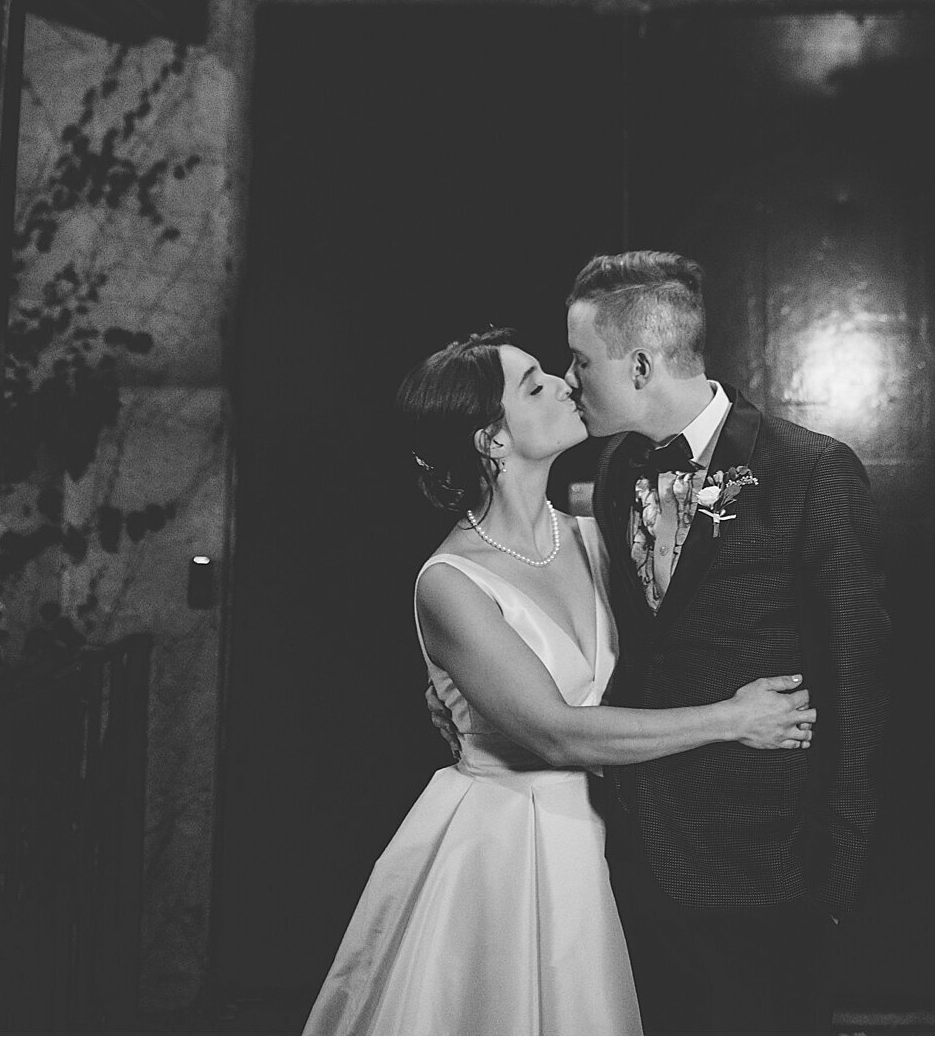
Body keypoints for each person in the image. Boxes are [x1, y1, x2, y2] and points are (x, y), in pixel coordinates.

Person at [304, 327, 815, 1036]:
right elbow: (554, 732)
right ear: (492, 439)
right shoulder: (449, 581)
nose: (564, 383)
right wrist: (732, 718)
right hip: (506, 850)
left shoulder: (593, 534)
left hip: (615, 836)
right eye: (534, 384)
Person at [564, 250, 890, 1036]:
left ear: (640, 365)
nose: (570, 379)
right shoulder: (614, 468)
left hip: (767, 870)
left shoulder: (811, 470)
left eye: (581, 360)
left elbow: (859, 679)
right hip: (636, 853)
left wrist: (835, 882)